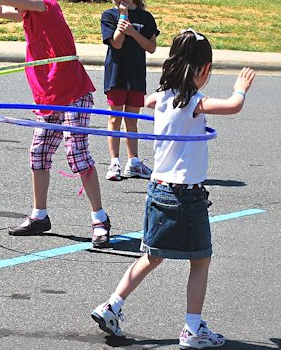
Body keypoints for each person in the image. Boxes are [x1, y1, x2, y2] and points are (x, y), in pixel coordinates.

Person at [91, 28, 255, 348]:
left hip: (158, 189)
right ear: (203, 70)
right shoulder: (194, 102)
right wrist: (241, 88)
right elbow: (234, 106)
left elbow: (150, 100)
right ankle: (193, 329)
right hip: (185, 194)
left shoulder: (159, 98)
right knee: (201, 260)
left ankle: (112, 305)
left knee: (152, 256)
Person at [0, 0, 111, 248]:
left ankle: (100, 220)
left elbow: (6, 0)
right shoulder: (28, 13)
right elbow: (3, 10)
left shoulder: (45, 4)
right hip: (48, 96)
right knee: (39, 154)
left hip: (73, 93)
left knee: (77, 155)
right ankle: (40, 216)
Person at [101, 0, 160, 181]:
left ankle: (133, 161)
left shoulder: (145, 18)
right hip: (116, 75)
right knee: (115, 117)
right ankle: (114, 162)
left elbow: (151, 47)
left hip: (136, 75)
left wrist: (133, 31)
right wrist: (122, 18)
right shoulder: (109, 15)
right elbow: (116, 43)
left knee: (132, 119)